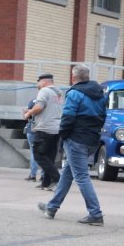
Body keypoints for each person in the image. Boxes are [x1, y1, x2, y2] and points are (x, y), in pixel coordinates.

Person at [37, 63, 107, 226]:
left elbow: (68, 117)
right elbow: (103, 116)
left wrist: (63, 135)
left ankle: (95, 213)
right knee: (67, 173)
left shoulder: (75, 93)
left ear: (73, 77)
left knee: (81, 177)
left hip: (76, 139)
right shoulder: (99, 93)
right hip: (92, 139)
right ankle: (52, 207)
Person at [22, 72, 62, 189]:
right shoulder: (58, 93)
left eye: (39, 82)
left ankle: (57, 178)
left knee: (38, 155)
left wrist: (28, 113)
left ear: (44, 81)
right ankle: (46, 182)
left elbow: (39, 107)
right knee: (49, 157)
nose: (38, 84)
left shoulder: (44, 91)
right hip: (56, 128)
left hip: (44, 128)